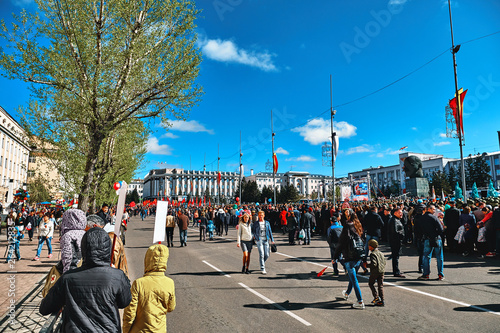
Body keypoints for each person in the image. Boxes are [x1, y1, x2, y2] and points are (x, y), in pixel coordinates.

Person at [40, 227, 132, 332]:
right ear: (107, 249)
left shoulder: (67, 278)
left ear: (84, 248)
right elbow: (124, 302)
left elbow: (44, 308)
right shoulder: (117, 276)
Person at [123, 244, 175, 333]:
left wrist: (126, 330)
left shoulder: (138, 283)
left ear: (147, 260)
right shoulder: (170, 282)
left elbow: (130, 312)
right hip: (160, 330)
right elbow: (171, 307)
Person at [334, 208, 365, 309]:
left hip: (350, 255)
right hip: (358, 254)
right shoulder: (358, 224)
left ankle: (360, 302)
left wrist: (335, 256)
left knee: (354, 279)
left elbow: (342, 242)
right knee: (353, 277)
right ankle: (347, 293)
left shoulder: (347, 225)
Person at [418, 204, 445, 280]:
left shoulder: (421, 218)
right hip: (436, 238)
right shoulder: (434, 218)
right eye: (433, 209)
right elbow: (440, 229)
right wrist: (436, 234)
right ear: (429, 209)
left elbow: (419, 229)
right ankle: (440, 274)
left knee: (426, 257)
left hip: (427, 238)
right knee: (439, 257)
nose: (434, 211)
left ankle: (426, 274)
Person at [252, 210, 275, 275]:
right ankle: (262, 268)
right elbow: (253, 231)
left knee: (267, 254)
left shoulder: (267, 223)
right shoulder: (256, 223)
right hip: (259, 240)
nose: (261, 217)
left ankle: (262, 262)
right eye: (259, 215)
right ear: (258, 216)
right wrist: (254, 237)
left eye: (262, 215)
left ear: (264, 216)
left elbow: (270, 231)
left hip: (266, 239)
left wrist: (272, 240)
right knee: (261, 254)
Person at [387, 207, 406, 278]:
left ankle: (396, 271)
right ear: (395, 213)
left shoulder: (396, 220)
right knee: (395, 257)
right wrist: (401, 236)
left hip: (396, 241)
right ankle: (396, 272)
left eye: (401, 212)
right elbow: (395, 232)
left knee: (396, 256)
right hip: (395, 241)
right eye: (399, 212)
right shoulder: (394, 220)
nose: (401, 214)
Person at [367, 239, 386, 306]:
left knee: (371, 283)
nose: (368, 247)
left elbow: (374, 264)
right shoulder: (381, 253)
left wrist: (367, 265)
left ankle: (376, 297)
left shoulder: (373, 254)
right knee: (380, 286)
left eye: (369, 246)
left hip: (375, 272)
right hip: (382, 271)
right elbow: (384, 262)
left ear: (371, 246)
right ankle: (382, 300)